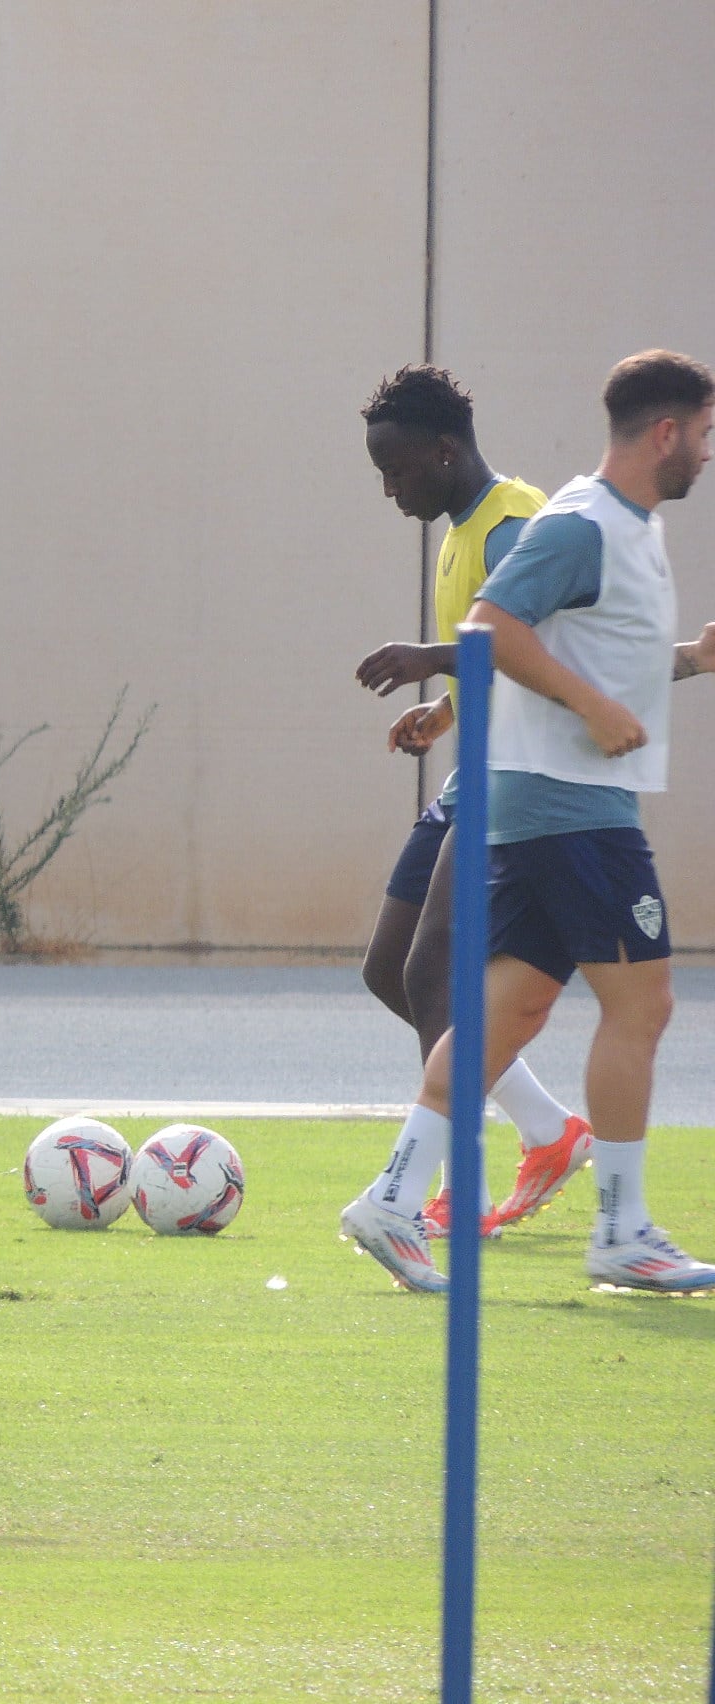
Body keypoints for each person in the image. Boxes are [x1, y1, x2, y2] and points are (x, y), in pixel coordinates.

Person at [341, 350, 715, 1294]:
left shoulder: (622, 528)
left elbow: (575, 651)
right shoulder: (579, 521)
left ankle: (396, 1195)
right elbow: (496, 629)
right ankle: (622, 1227)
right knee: (643, 1003)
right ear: (666, 431)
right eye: (705, 434)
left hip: (550, 799)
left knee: (503, 1013)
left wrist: (694, 660)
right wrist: (589, 710)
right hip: (568, 805)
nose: (708, 454)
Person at [349, 366, 588, 1238]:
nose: (389, 488)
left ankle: (457, 1190)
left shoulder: (514, 522)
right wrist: (445, 707)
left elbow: (548, 644)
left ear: (445, 450)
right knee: (389, 969)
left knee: (432, 971)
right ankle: (546, 1129)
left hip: (516, 774)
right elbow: (494, 648)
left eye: (399, 469)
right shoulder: (459, 530)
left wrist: (429, 656)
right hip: (472, 769)